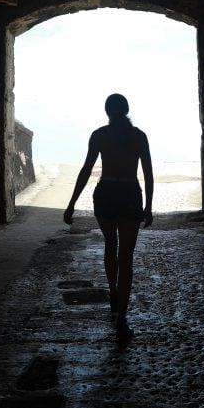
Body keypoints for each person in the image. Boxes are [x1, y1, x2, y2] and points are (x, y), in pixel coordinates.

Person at [63, 93, 153, 342]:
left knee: (110, 246)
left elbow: (86, 170)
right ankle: (122, 316)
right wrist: (149, 206)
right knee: (126, 258)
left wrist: (71, 204)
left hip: (105, 193)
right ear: (126, 109)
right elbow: (148, 174)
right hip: (130, 193)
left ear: (107, 111)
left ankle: (113, 291)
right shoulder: (138, 136)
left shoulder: (100, 135)